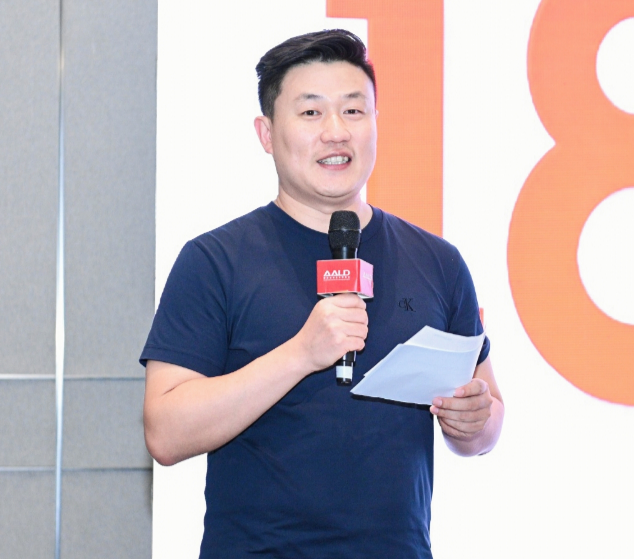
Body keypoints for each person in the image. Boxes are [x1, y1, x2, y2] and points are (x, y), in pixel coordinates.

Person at [141, 29, 504, 559]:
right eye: (311, 113)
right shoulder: (214, 261)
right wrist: (301, 354)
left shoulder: (438, 261)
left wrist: (474, 422)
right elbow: (165, 433)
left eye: (354, 111)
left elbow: (486, 422)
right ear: (266, 133)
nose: (336, 132)